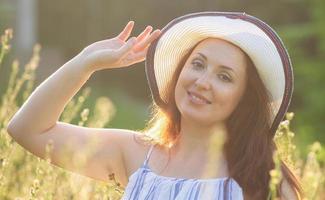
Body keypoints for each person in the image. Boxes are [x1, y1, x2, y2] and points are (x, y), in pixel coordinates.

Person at [6, 11, 303, 200]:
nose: (202, 81)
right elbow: (28, 129)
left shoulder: (264, 180)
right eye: (197, 64)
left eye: (224, 77)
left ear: (244, 99)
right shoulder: (136, 155)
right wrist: (85, 63)